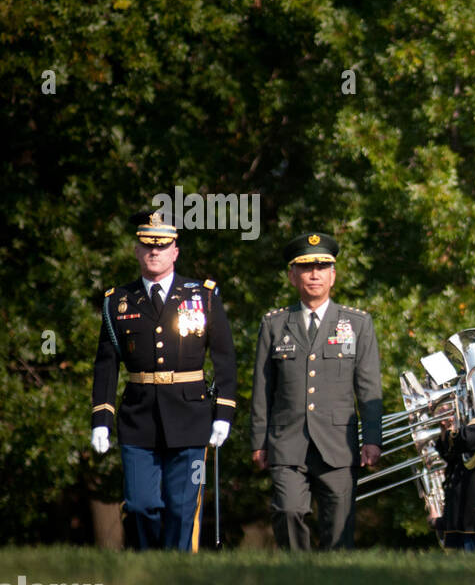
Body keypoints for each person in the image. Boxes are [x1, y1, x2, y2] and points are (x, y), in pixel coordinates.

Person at [91, 209, 236, 550]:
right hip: (138, 417)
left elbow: (225, 359)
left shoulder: (203, 296)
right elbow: (106, 364)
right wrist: (101, 418)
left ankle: (175, 572)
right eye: (147, 245)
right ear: (137, 250)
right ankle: (150, 562)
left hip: (191, 417)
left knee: (183, 507)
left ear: (175, 251)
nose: (154, 251)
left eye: (162, 245)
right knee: (141, 505)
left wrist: (224, 413)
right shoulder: (117, 301)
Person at [249, 233, 382, 550]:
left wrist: (373, 439)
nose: (314, 274)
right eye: (306, 268)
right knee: (288, 510)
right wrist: (258, 439)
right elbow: (263, 386)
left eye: (322, 267)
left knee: (339, 530)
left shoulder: (357, 323)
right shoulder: (275, 324)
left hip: (338, 444)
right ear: (292, 275)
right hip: (287, 441)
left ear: (333, 275)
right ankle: (299, 575)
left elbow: (368, 386)